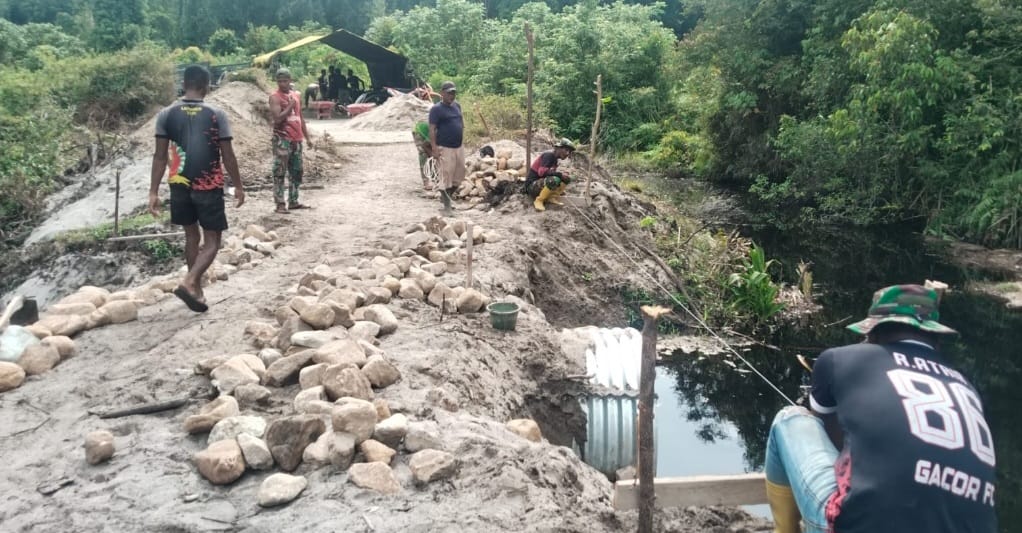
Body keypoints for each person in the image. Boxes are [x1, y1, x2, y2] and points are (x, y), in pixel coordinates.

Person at [765, 284, 997, 533]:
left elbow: (831, 440)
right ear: (936, 340)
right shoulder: (966, 386)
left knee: (789, 420)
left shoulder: (838, 359)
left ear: (872, 333)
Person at [148, 65, 245, 313]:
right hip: (208, 185)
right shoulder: (216, 114)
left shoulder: (166, 114)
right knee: (212, 241)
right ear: (206, 86)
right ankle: (190, 281)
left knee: (191, 236)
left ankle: (197, 291)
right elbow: (228, 155)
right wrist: (238, 185)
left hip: (179, 184)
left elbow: (159, 157)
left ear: (184, 84)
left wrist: (153, 192)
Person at [268, 68, 313, 213]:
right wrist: (289, 106)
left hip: (296, 139)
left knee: (297, 171)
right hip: (282, 139)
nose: (282, 84)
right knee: (279, 172)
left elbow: (301, 118)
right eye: (280, 81)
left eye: (285, 81)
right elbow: (278, 118)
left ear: (290, 80)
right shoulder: (275, 97)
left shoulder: (296, 96)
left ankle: (293, 201)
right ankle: (280, 204)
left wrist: (307, 138)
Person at [428, 81, 466, 216]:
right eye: (449, 93)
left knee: (460, 174)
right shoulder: (436, 109)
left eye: (453, 93)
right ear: (442, 93)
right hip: (445, 147)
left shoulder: (457, 106)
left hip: (458, 146)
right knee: (445, 176)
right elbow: (432, 129)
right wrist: (434, 148)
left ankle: (446, 198)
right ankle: (447, 207)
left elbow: (461, 124)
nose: (452, 95)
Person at [525, 138, 575, 211]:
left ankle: (552, 197)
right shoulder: (549, 155)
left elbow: (550, 173)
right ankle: (539, 200)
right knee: (555, 179)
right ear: (558, 148)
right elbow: (541, 172)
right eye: (566, 150)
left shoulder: (555, 159)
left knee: (566, 179)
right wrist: (560, 175)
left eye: (569, 152)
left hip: (539, 184)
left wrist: (562, 177)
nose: (568, 154)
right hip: (531, 186)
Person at [412, 120, 433, 190]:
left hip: (427, 132)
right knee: (423, 154)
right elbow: (425, 145)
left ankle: (434, 179)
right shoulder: (435, 131)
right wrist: (431, 154)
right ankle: (426, 183)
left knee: (433, 158)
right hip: (418, 132)